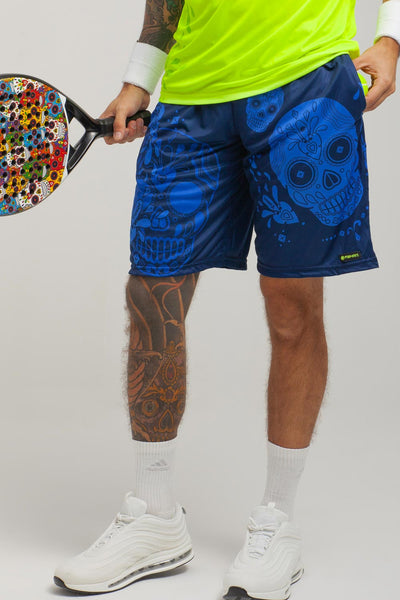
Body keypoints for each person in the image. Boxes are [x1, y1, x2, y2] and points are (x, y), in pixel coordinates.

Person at [54, 0, 400, 597]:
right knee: (151, 294)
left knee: (292, 308)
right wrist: (140, 78)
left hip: (306, 82)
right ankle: (156, 517)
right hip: (193, 96)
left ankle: (278, 521)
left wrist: (391, 38)